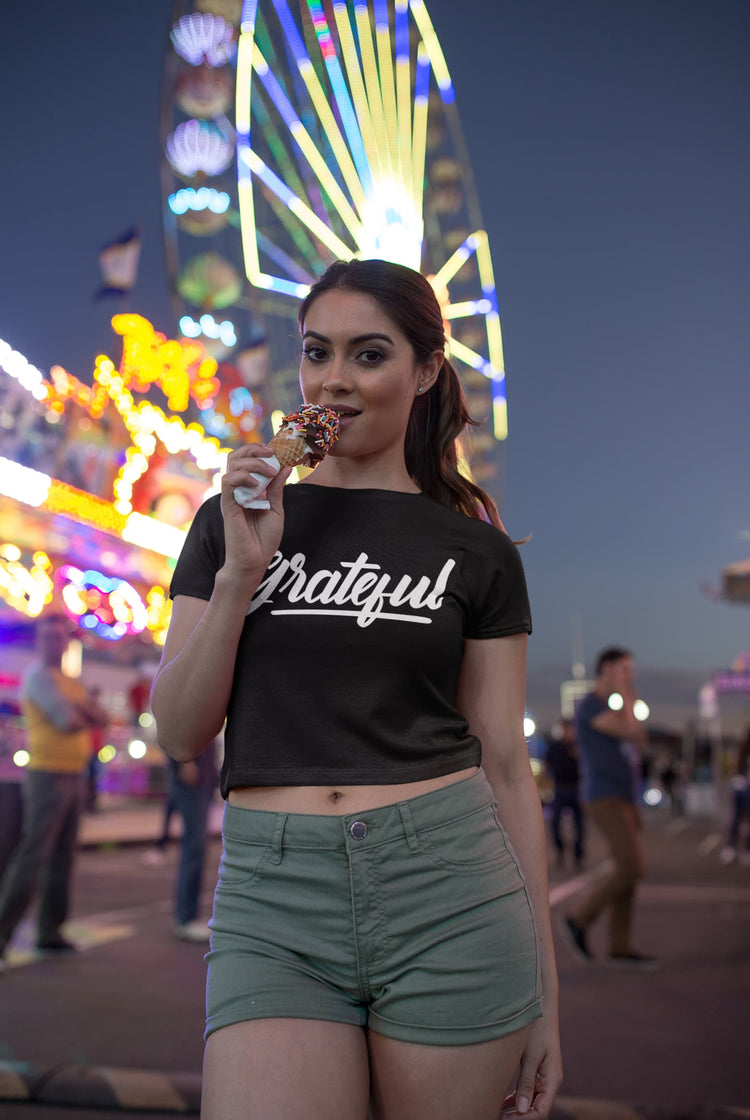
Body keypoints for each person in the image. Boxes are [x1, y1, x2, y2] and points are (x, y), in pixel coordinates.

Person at [151, 258, 562, 1120]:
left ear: (423, 372)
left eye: (368, 355)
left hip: (450, 882)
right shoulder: (229, 522)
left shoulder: (477, 552)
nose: (334, 380)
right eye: (316, 353)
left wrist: (546, 995)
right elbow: (180, 732)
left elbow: (507, 770)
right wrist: (241, 572)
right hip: (274, 890)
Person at [0, 613, 107, 970]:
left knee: (62, 860)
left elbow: (101, 716)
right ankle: (2, 938)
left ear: (66, 642)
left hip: (74, 775)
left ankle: (50, 935)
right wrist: (84, 709)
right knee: (32, 858)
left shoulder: (69, 681)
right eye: (47, 637)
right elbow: (69, 721)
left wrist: (83, 708)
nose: (53, 643)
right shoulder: (38, 677)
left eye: (58, 637)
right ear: (39, 641)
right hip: (46, 775)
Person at [562, 647, 657, 970]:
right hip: (603, 795)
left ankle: (621, 945)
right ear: (606, 668)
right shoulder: (590, 705)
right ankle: (578, 918)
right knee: (631, 866)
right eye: (624, 669)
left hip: (625, 796)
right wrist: (627, 695)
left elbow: (640, 740)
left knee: (627, 870)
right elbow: (630, 730)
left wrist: (625, 699)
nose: (629, 676)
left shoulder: (612, 707)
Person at [168, 738, 220, 941]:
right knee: (194, 848)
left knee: (197, 848)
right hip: (192, 777)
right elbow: (171, 721)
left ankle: (188, 916)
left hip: (204, 775)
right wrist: (184, 762)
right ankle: (185, 918)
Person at [544, 720, 584, 869]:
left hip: (576, 788)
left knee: (579, 825)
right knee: (555, 823)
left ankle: (578, 854)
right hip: (560, 788)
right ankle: (560, 851)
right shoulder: (555, 747)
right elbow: (547, 764)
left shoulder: (579, 746)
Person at [719, 727, 750, 866]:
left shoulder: (741, 749)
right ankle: (733, 848)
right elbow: (734, 768)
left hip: (740, 787)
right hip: (741, 788)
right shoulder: (741, 750)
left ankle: (735, 849)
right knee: (737, 820)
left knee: (738, 820)